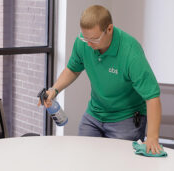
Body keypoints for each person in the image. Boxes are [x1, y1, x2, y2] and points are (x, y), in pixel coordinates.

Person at [38, 5, 162, 154]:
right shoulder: (83, 42)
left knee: (120, 163)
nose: (89, 44)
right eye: (85, 38)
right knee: (84, 157)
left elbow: (152, 96)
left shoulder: (130, 52)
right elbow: (72, 69)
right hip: (94, 114)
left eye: (94, 39)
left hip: (125, 118)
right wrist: (54, 89)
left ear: (109, 29)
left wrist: (153, 137)